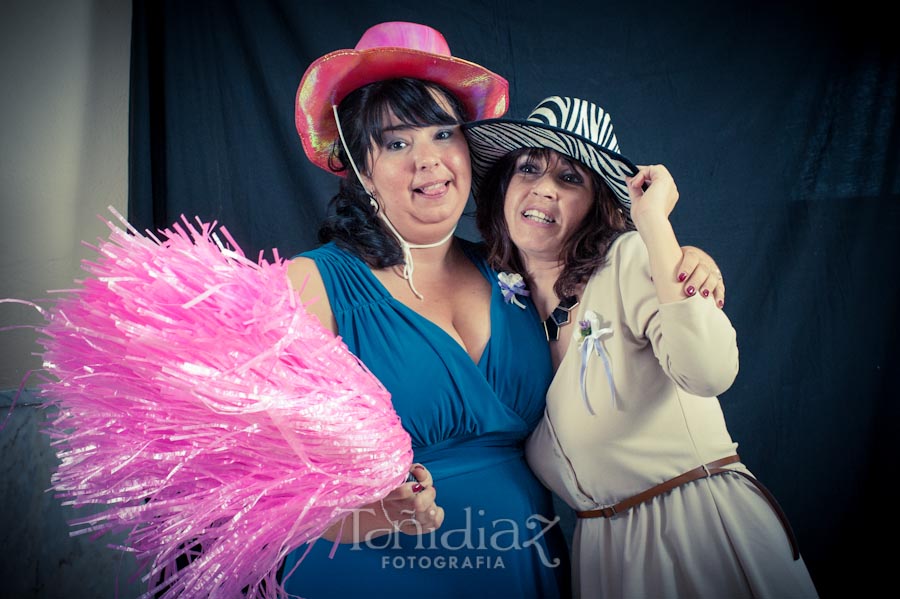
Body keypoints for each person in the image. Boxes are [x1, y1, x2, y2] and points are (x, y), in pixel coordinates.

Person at [281, 23, 723, 597]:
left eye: (443, 134)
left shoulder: (516, 270)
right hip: (378, 575)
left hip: (524, 567)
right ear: (361, 170)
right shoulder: (311, 283)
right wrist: (376, 515)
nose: (428, 161)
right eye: (395, 142)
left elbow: (622, 310)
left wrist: (683, 260)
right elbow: (276, 490)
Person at [464, 95, 819, 597]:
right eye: (528, 169)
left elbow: (709, 371)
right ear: (504, 186)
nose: (543, 188)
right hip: (603, 551)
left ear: (596, 203)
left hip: (696, 529)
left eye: (570, 178)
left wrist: (655, 226)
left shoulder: (630, 260)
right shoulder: (499, 302)